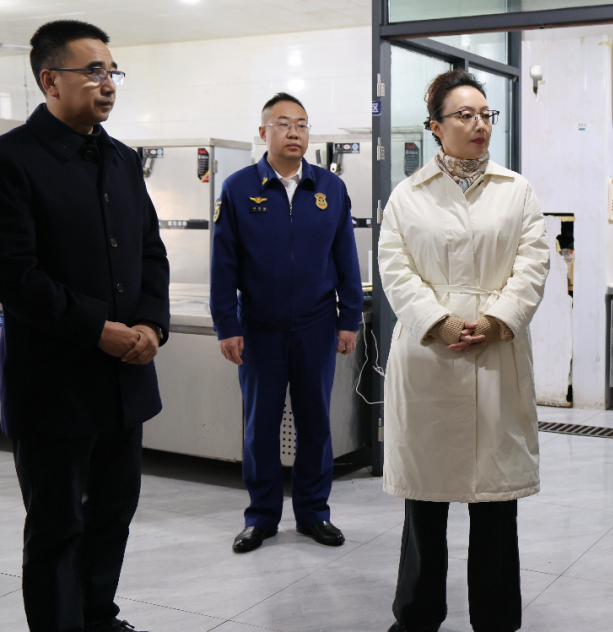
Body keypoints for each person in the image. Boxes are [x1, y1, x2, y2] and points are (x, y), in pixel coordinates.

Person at [0, 20, 170, 632]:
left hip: (123, 381)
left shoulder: (122, 159)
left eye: (112, 72)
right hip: (54, 386)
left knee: (113, 514)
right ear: (50, 80)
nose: (108, 84)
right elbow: (14, 274)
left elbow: (150, 250)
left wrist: (150, 324)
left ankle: (97, 617)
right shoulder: (7, 160)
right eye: (93, 72)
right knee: (58, 527)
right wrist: (98, 328)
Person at [378, 69, 550, 632]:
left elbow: (533, 261)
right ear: (435, 126)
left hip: (495, 356)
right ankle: (416, 617)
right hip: (430, 359)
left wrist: (500, 319)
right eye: (464, 115)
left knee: (495, 506)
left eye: (485, 114)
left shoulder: (516, 190)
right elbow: (395, 270)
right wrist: (438, 321)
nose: (480, 125)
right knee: (424, 505)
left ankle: (496, 621)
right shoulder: (407, 197)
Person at [211, 92, 363, 553]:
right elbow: (223, 264)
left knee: (315, 423)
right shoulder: (238, 188)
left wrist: (349, 318)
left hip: (317, 326)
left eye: (301, 124)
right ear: (264, 132)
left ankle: (314, 513)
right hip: (260, 328)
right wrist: (227, 325)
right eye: (283, 124)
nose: (294, 132)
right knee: (261, 426)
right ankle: (261, 517)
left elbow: (346, 258)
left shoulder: (330, 188)